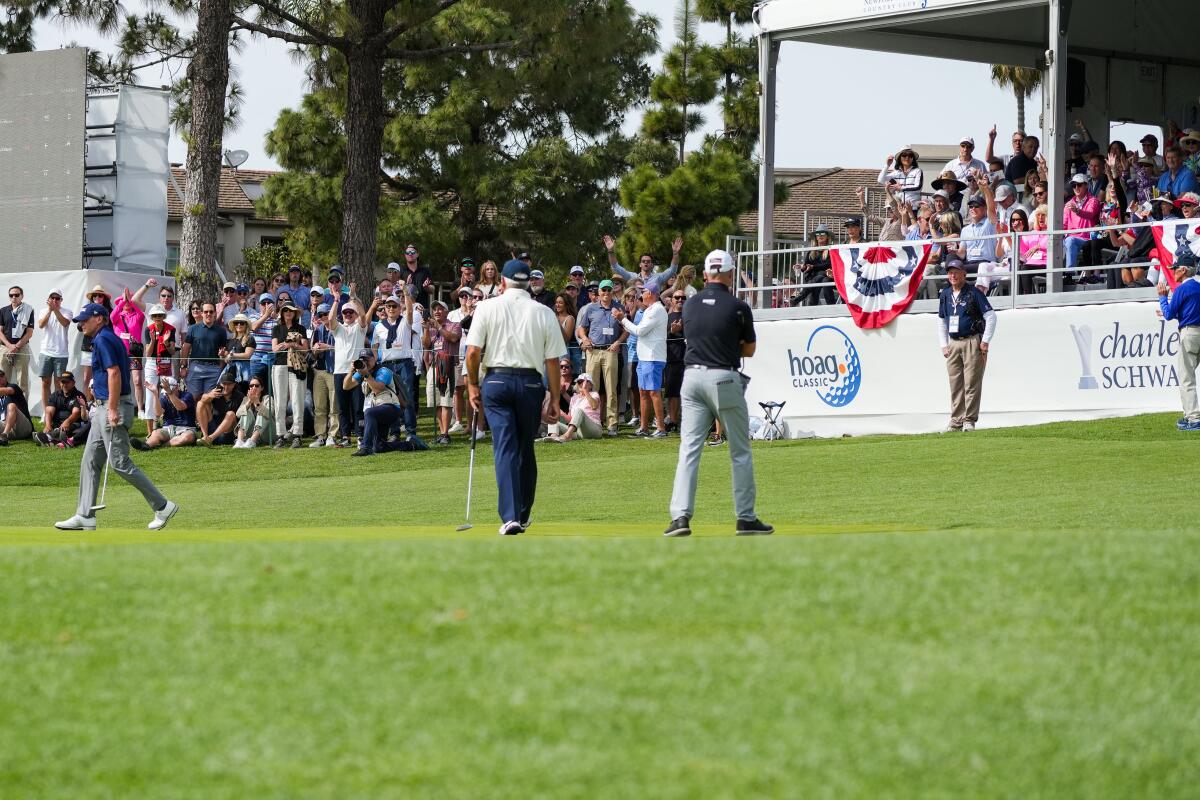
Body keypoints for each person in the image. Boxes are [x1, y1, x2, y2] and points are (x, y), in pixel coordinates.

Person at [664, 250, 771, 538]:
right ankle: (745, 518)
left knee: (689, 450)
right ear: (729, 273)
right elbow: (749, 349)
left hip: (692, 377)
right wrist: (727, 345)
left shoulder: (689, 305)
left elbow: (696, 335)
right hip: (723, 376)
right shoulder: (738, 307)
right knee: (739, 450)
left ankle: (680, 518)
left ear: (706, 274)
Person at [465, 258, 566, 535]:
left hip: (496, 382)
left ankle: (510, 517)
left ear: (502, 282)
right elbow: (553, 361)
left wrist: (472, 384)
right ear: (528, 282)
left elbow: (473, 352)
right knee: (524, 448)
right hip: (531, 385)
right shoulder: (544, 311)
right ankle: (520, 514)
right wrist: (555, 398)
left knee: (505, 446)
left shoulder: (486, 306)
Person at [54, 304, 177, 532]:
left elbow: (114, 373)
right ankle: (85, 515)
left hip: (113, 406)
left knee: (120, 462)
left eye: (85, 320)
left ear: (99, 319)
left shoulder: (103, 340)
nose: (81, 324)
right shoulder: (105, 338)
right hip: (103, 408)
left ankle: (162, 506)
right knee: (90, 460)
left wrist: (111, 408)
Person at [938, 259, 998, 432]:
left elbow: (991, 316)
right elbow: (942, 320)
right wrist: (943, 344)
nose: (953, 275)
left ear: (964, 274)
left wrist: (985, 341)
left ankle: (969, 420)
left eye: (956, 272)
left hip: (972, 340)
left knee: (971, 383)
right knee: (955, 384)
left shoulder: (973, 293)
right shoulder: (945, 294)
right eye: (950, 272)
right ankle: (956, 421)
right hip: (953, 343)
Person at [614, 280, 669, 437]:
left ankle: (661, 428)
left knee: (654, 392)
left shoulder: (656, 310)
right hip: (644, 357)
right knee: (643, 392)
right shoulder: (650, 310)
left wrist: (622, 319)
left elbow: (640, 331)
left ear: (650, 294)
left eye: (643, 292)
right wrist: (623, 320)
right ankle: (644, 427)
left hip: (653, 357)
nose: (641, 295)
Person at [577, 278, 627, 435]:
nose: (606, 293)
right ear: (598, 292)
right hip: (593, 351)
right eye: (603, 290)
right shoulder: (590, 309)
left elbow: (626, 329)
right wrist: (584, 339)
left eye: (608, 290)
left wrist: (618, 342)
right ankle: (593, 420)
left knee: (612, 389)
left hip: (611, 351)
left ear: (612, 292)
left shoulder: (618, 308)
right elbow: (581, 328)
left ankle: (612, 424)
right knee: (593, 388)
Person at [327, 285, 375, 447]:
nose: (348, 315)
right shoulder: (338, 328)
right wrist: (336, 300)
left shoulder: (359, 328)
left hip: (357, 371)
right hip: (339, 372)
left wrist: (353, 298)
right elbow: (330, 320)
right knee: (342, 408)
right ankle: (346, 436)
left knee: (358, 406)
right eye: (345, 313)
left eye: (350, 312)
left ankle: (360, 435)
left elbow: (363, 315)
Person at [1157, 261, 1200, 429]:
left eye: (1175, 269)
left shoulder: (1181, 289)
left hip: (1189, 334)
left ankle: (1194, 418)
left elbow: (1168, 314)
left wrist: (1162, 297)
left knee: (1186, 378)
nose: (1173, 271)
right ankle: (1190, 416)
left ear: (1183, 270)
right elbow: (1190, 311)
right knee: (1188, 376)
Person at [343, 348, 407, 456]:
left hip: (391, 408)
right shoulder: (362, 372)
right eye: (362, 359)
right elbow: (346, 386)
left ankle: (365, 447)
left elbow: (377, 389)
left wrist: (366, 374)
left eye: (367, 359)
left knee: (369, 412)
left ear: (374, 359)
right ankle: (409, 445)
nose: (365, 362)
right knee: (378, 447)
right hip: (377, 412)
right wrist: (350, 371)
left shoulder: (383, 371)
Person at [270, 302, 309, 448]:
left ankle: (297, 434)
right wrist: (285, 345)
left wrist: (293, 345)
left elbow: (305, 348)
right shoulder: (276, 328)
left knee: (297, 400)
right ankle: (280, 434)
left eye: (291, 310)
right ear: (281, 313)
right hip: (280, 365)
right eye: (285, 310)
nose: (288, 312)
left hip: (296, 366)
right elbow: (274, 348)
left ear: (295, 313)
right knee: (279, 401)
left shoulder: (300, 328)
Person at [424, 300, 461, 444]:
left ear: (446, 311)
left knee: (446, 401)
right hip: (434, 367)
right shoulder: (431, 329)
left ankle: (445, 433)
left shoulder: (454, 325)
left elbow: (452, 337)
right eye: (435, 310)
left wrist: (438, 326)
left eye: (440, 309)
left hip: (448, 366)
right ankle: (441, 433)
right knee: (436, 402)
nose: (437, 312)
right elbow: (426, 344)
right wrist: (427, 329)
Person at [140, 304, 176, 437]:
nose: (157, 318)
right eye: (155, 316)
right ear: (152, 317)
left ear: (163, 316)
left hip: (166, 361)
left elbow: (172, 351)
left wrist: (166, 343)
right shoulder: (148, 330)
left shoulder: (170, 330)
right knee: (150, 393)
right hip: (151, 363)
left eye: (160, 315)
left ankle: (169, 423)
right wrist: (154, 341)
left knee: (168, 390)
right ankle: (150, 430)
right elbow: (148, 353)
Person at [307, 303, 340, 447]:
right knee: (319, 406)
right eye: (320, 315)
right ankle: (320, 436)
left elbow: (345, 348)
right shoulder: (317, 330)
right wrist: (316, 351)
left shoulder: (339, 328)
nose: (323, 317)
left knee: (334, 406)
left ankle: (332, 435)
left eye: (325, 314)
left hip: (334, 370)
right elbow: (312, 354)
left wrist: (328, 348)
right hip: (319, 370)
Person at [181, 301, 228, 400]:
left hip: (213, 369)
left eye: (211, 312)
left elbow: (223, 351)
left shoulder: (221, 331)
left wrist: (220, 367)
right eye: (206, 312)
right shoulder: (193, 328)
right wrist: (183, 366)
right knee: (193, 397)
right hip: (196, 367)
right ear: (201, 313)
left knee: (209, 399)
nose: (208, 314)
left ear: (215, 313)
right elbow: (186, 348)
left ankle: (206, 416)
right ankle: (193, 416)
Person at [37, 288, 73, 415]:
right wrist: (49, 311)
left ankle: (57, 411)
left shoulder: (67, 311)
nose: (54, 300)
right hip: (45, 351)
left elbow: (64, 323)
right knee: (45, 382)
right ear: (48, 299)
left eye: (57, 298)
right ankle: (46, 412)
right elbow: (41, 325)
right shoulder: (43, 311)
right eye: (52, 298)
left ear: (61, 300)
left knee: (59, 384)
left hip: (61, 353)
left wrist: (55, 310)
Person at [603, 234, 682, 286]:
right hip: (637, 310)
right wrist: (610, 251)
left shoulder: (658, 278)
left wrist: (675, 253)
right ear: (640, 264)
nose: (646, 263)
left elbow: (672, 270)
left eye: (648, 261)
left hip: (653, 310)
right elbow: (615, 267)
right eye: (643, 261)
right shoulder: (632, 277)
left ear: (652, 265)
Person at [35, 370, 88, 447]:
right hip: (56, 423)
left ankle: (49, 437)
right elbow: (49, 412)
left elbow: (76, 413)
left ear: (73, 383)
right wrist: (48, 425)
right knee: (53, 428)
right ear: (60, 383)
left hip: (73, 424)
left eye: (68, 382)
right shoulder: (55, 395)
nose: (65, 384)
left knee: (66, 430)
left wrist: (67, 422)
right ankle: (53, 436)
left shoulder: (79, 396)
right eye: (63, 382)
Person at [0, 285, 35, 398]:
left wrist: (16, 347)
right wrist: (10, 346)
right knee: (2, 379)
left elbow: (29, 332)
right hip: (5, 347)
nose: (14, 297)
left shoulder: (28, 310)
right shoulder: (3, 310)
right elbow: (0, 332)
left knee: (22, 381)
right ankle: (3, 408)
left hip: (22, 347)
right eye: (11, 295)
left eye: (16, 295)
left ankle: (22, 408)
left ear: (22, 296)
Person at [546, 373, 603, 442]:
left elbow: (594, 406)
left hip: (594, 429)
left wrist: (585, 391)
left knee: (579, 411)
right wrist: (561, 412)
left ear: (590, 385)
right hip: (578, 432)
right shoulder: (574, 398)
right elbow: (571, 420)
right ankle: (554, 437)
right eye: (579, 382)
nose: (582, 384)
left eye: (584, 382)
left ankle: (567, 436)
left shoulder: (594, 394)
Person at [144, 376, 196, 448]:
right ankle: (145, 446)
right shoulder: (164, 396)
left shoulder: (187, 395)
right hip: (168, 428)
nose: (167, 394)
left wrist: (169, 392)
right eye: (166, 391)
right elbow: (158, 413)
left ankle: (163, 444)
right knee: (156, 433)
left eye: (170, 390)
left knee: (188, 437)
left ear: (177, 387)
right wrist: (155, 394)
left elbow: (180, 407)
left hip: (186, 429)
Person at [195, 371, 243, 446]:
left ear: (234, 385)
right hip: (214, 427)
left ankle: (210, 439)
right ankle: (205, 436)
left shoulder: (239, 396)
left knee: (230, 414)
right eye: (224, 384)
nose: (226, 387)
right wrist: (209, 396)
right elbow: (202, 399)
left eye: (229, 384)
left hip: (228, 432)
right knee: (201, 403)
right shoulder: (216, 392)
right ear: (220, 384)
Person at [664, 288, 686, 431]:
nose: (680, 300)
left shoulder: (691, 315)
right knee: (672, 392)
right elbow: (661, 335)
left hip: (689, 359)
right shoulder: (667, 317)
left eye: (683, 298)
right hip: (671, 358)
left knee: (688, 392)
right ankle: (672, 421)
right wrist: (672, 331)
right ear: (671, 300)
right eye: (677, 298)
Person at [233, 376, 277, 448]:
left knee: (262, 412)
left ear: (261, 388)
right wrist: (249, 402)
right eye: (251, 385)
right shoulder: (246, 399)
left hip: (268, 433)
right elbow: (238, 414)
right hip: (250, 434)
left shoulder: (268, 398)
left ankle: (252, 442)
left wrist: (257, 402)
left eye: (256, 385)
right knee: (246, 412)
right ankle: (239, 441)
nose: (254, 387)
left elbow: (270, 414)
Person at [0, 365, 33, 445]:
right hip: (5, 424)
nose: (0, 379)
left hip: (22, 426)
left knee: (12, 406)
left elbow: (8, 391)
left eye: (1, 376)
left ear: (5, 377)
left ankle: (4, 435)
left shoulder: (13, 387)